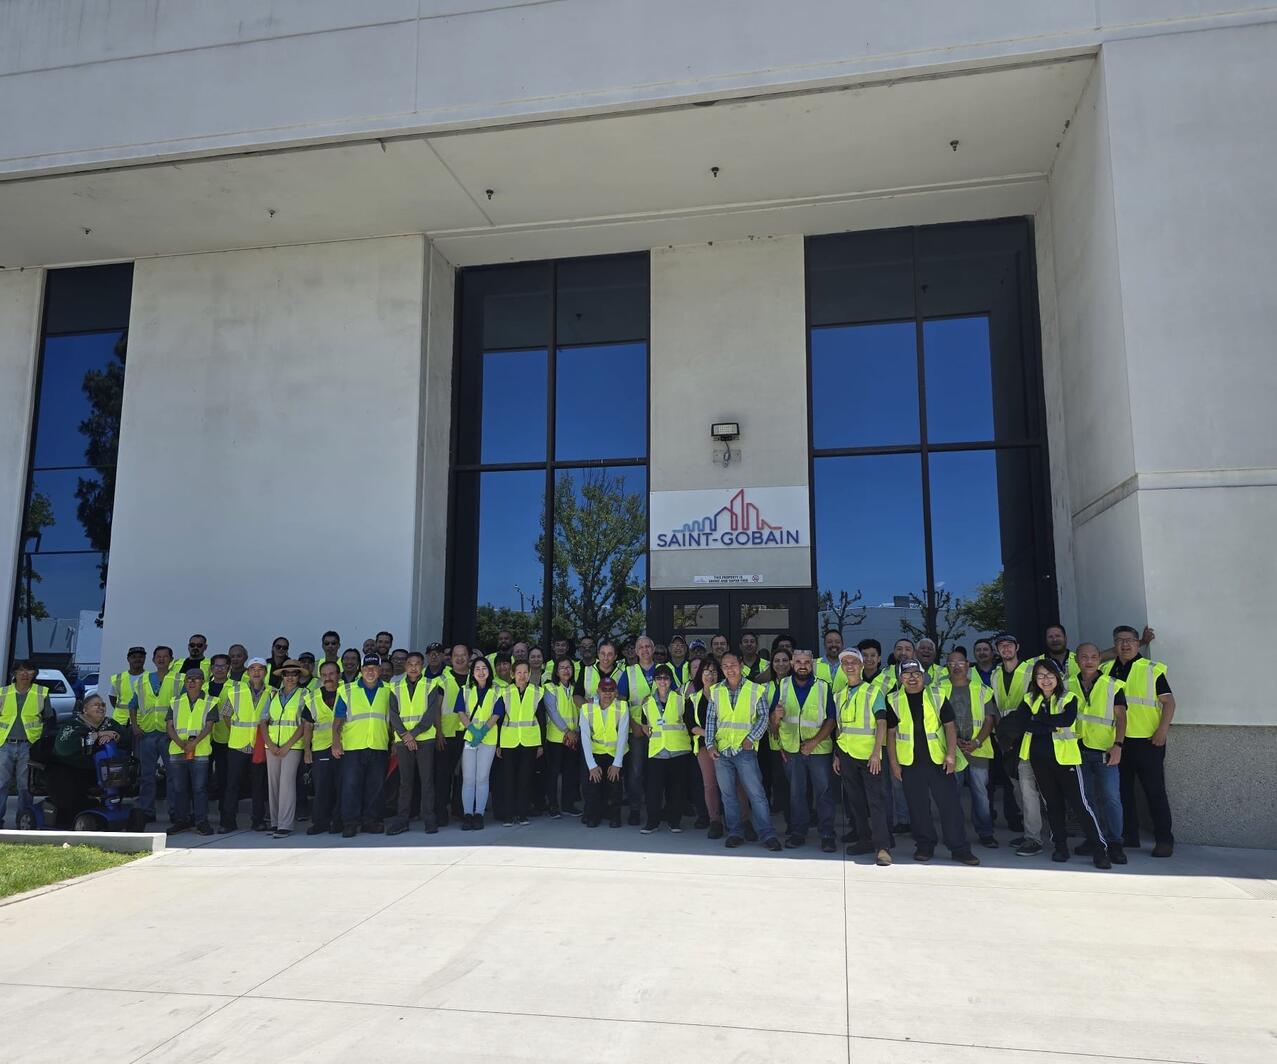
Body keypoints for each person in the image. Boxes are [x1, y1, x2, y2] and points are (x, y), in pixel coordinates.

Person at [1004, 659, 1110, 868]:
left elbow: (1066, 721)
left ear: (1058, 677)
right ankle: (1060, 847)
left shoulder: (1069, 697)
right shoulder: (1029, 698)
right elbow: (1022, 723)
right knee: (1052, 805)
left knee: (1080, 805)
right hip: (1038, 760)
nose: (1045, 680)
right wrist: (1049, 724)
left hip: (1066, 759)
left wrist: (1039, 720)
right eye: (1040, 676)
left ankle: (1100, 849)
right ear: (1035, 679)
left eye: (1050, 675)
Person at [884, 660, 980, 865]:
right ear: (900, 678)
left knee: (950, 807)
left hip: (939, 762)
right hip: (910, 763)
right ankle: (925, 846)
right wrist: (893, 763)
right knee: (917, 808)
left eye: (916, 673)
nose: (912, 678)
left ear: (923, 676)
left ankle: (959, 849)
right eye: (907, 674)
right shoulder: (893, 699)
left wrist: (951, 755)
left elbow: (950, 727)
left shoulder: (936, 695)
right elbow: (890, 734)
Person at [1104, 624, 1175, 856]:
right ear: (1114, 644)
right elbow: (1092, 655)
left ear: (1137, 643)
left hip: (1148, 741)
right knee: (1123, 792)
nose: (1125, 644)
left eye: (1130, 640)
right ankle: (1129, 836)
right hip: (1118, 742)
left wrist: (1162, 730)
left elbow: (1169, 703)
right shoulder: (1105, 670)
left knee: (1154, 791)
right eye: (1120, 640)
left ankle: (1164, 840)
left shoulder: (1151, 669)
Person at [707, 653, 782, 851]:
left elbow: (763, 717)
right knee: (728, 795)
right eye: (725, 666)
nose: (729, 669)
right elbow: (711, 719)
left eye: (733, 664)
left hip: (745, 750)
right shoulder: (716, 690)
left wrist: (751, 738)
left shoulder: (755, 689)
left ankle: (767, 834)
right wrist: (710, 745)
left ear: (741, 666)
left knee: (756, 794)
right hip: (722, 750)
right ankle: (735, 832)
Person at [770, 649, 837, 852]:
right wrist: (776, 717)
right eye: (798, 662)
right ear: (792, 664)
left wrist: (813, 742)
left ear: (812, 664)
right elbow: (773, 724)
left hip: (819, 750)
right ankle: (799, 832)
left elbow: (831, 720)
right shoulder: (782, 685)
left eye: (806, 662)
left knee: (824, 793)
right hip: (792, 750)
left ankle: (827, 834)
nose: (802, 666)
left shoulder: (823, 686)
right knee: (796, 794)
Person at [830, 649, 892, 865]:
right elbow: (839, 727)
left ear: (862, 665)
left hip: (869, 756)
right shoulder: (839, 695)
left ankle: (883, 847)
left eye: (854, 662)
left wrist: (876, 753)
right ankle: (864, 839)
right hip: (846, 754)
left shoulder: (873, 692)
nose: (850, 665)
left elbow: (882, 722)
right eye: (845, 662)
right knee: (855, 801)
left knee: (876, 802)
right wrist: (837, 754)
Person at [1069, 642, 1128, 864]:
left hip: (1105, 751)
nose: (1089, 661)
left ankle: (1115, 843)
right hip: (1076, 751)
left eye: (1094, 656)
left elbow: (1121, 717)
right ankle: (1095, 839)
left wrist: (1118, 745)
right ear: (1077, 660)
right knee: (1087, 800)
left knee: (1111, 798)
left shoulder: (1112, 685)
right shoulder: (1066, 685)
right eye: (1084, 657)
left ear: (1099, 659)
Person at [938, 648, 998, 848]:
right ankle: (954, 833)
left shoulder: (982, 689)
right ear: (947, 667)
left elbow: (989, 719)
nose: (956, 666)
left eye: (960, 662)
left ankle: (986, 833)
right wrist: (953, 743)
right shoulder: (938, 689)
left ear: (967, 665)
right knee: (951, 794)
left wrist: (976, 742)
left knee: (980, 794)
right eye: (951, 663)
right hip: (951, 751)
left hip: (978, 750)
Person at [991, 632, 1044, 857]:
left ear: (1017, 647)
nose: (1006, 648)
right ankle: (1029, 831)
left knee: (1028, 786)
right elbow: (996, 707)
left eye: (1009, 645)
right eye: (1001, 645)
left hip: (1027, 735)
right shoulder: (995, 674)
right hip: (1006, 738)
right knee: (1017, 787)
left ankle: (1034, 838)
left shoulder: (1032, 669)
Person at [334, 654, 393, 837]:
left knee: (375, 787)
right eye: (367, 668)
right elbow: (338, 719)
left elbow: (393, 719)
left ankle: (371, 821)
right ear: (361, 670)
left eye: (374, 668)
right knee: (351, 786)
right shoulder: (347, 690)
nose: (370, 671)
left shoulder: (389, 690)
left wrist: (394, 742)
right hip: (353, 746)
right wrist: (335, 742)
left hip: (378, 744)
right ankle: (350, 823)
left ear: (380, 670)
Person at [48, 694, 120, 828]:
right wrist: (96, 736)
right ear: (85, 710)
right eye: (96, 705)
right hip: (68, 768)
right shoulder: (72, 725)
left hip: (98, 770)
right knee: (65, 782)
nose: (101, 707)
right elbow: (63, 748)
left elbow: (125, 738)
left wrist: (115, 735)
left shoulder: (110, 723)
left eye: (102, 705)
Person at [388, 651, 440, 835]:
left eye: (417, 663)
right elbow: (393, 714)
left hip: (425, 739)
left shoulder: (431, 684)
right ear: (405, 666)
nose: (413, 667)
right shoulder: (395, 686)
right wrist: (405, 736)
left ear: (422, 666)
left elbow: (430, 714)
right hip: (403, 741)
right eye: (410, 663)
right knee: (405, 782)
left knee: (427, 781)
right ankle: (402, 819)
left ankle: (429, 818)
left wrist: (413, 734)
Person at [218, 657, 272, 832]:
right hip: (238, 744)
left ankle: (258, 820)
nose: (256, 672)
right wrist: (236, 731)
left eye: (260, 669)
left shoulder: (272, 692)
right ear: (247, 672)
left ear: (265, 672)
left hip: (259, 746)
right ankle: (228, 822)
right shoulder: (236, 691)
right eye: (252, 669)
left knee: (258, 785)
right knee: (232, 784)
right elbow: (226, 715)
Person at [638, 664, 692, 834]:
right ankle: (652, 822)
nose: (663, 681)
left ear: (670, 680)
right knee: (653, 790)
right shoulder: (647, 702)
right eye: (659, 678)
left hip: (678, 750)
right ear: (655, 681)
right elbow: (645, 725)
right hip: (657, 751)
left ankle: (674, 821)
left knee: (676, 789)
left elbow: (689, 722)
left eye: (666, 678)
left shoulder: (680, 699)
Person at [0, 660, 54, 828]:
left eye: (29, 670)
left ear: (34, 674)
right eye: (21, 670)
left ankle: (24, 820)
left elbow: (49, 719)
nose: (24, 674)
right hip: (4, 744)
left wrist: (42, 743)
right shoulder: (3, 692)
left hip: (29, 745)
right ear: (14, 673)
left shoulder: (41, 692)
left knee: (25, 786)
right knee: (1, 783)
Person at [128, 646, 178, 825]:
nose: (161, 659)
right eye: (158, 656)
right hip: (147, 734)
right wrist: (135, 726)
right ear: (153, 659)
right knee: (146, 775)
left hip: (169, 735)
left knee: (173, 775)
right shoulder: (143, 680)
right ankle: (147, 811)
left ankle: (175, 811)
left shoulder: (178, 679)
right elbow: (132, 705)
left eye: (165, 656)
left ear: (171, 659)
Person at [165, 668, 218, 836]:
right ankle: (182, 821)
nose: (192, 682)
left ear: (203, 682)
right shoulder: (175, 701)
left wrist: (193, 743)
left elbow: (209, 727)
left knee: (200, 789)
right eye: (189, 679)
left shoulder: (211, 701)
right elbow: (169, 726)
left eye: (196, 679)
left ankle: (201, 822)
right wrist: (181, 744)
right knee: (179, 788)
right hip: (177, 750)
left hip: (200, 751)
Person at [496, 660, 544, 826]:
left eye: (525, 672)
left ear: (530, 674)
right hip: (508, 741)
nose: (522, 676)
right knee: (508, 779)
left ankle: (522, 813)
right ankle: (509, 815)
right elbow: (499, 719)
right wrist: (498, 744)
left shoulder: (538, 692)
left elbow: (542, 720)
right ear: (512, 674)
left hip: (530, 741)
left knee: (525, 779)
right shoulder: (505, 692)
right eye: (519, 672)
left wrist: (541, 744)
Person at [457, 656, 503, 829]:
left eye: (484, 668)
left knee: (482, 778)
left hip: (488, 739)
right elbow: (460, 712)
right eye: (477, 668)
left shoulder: (497, 690)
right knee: (468, 778)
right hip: (470, 738)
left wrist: (482, 732)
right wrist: (472, 730)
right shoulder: (465, 690)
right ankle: (468, 814)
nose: (481, 672)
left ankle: (479, 815)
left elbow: (497, 713)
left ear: (489, 671)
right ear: (472, 672)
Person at [617, 635, 659, 825]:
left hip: (660, 730)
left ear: (653, 649)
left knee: (657, 773)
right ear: (635, 651)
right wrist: (634, 726)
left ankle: (655, 809)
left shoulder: (663, 670)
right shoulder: (629, 672)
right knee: (635, 772)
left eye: (647, 646)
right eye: (640, 647)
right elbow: (621, 701)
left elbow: (674, 697)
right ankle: (635, 809)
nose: (644, 650)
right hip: (637, 731)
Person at [264, 660, 307, 838]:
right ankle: (275, 822)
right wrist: (270, 744)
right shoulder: (273, 695)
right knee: (273, 784)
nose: (290, 677)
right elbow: (263, 722)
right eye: (286, 673)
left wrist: (287, 745)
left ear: (299, 676)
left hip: (293, 746)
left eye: (294, 673)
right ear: (282, 676)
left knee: (287, 784)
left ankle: (285, 824)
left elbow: (304, 724)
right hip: (272, 746)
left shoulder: (305, 694)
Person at [303, 661, 346, 835]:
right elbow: (307, 726)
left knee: (342, 787)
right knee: (322, 788)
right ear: (320, 677)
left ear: (338, 675)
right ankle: (320, 822)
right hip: (321, 747)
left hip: (344, 746)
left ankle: (338, 822)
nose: (328, 678)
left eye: (332, 674)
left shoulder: (348, 693)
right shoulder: (312, 697)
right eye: (324, 675)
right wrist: (307, 749)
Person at [579, 677, 628, 827]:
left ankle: (614, 815)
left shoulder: (622, 707)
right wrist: (592, 766)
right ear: (598, 691)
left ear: (616, 692)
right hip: (596, 752)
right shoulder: (586, 709)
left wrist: (617, 764)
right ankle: (594, 815)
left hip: (615, 752)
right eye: (604, 690)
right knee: (594, 783)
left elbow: (623, 736)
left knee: (614, 783)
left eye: (611, 690)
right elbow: (585, 738)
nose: (607, 693)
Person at [434, 644, 473, 826]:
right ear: (450, 658)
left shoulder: (475, 677)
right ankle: (441, 812)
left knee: (464, 775)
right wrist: (438, 732)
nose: (459, 658)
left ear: (469, 657)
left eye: (463, 655)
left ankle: (460, 809)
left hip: (468, 734)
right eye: (456, 655)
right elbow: (436, 708)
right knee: (443, 775)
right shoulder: (442, 679)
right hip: (447, 734)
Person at [688, 657, 725, 838]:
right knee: (710, 784)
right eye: (707, 671)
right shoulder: (693, 699)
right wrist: (710, 735)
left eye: (714, 671)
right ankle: (714, 821)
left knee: (733, 784)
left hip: (727, 744)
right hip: (704, 747)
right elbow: (691, 726)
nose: (710, 675)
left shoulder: (727, 694)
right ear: (700, 674)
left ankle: (740, 820)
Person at [543, 657, 582, 818]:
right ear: (556, 672)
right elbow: (552, 711)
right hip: (556, 738)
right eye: (562, 668)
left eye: (569, 667)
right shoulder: (550, 687)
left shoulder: (575, 688)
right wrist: (567, 730)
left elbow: (580, 712)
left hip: (573, 737)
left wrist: (577, 731)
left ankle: (568, 804)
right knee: (553, 773)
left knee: (570, 773)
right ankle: (552, 805)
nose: (566, 670)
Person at [205, 653, 233, 800]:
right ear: (211, 668)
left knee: (224, 776)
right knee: (203, 777)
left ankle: (224, 809)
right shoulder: (203, 687)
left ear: (228, 668)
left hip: (226, 737)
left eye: (223, 666)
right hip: (204, 738)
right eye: (216, 666)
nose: (220, 669)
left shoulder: (236, 687)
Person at [107, 645, 148, 738]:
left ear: (145, 658)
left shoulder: (150, 677)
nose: (137, 659)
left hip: (142, 723)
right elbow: (112, 698)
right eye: (134, 657)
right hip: (120, 723)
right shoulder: (118, 678)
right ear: (128, 659)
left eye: (141, 657)